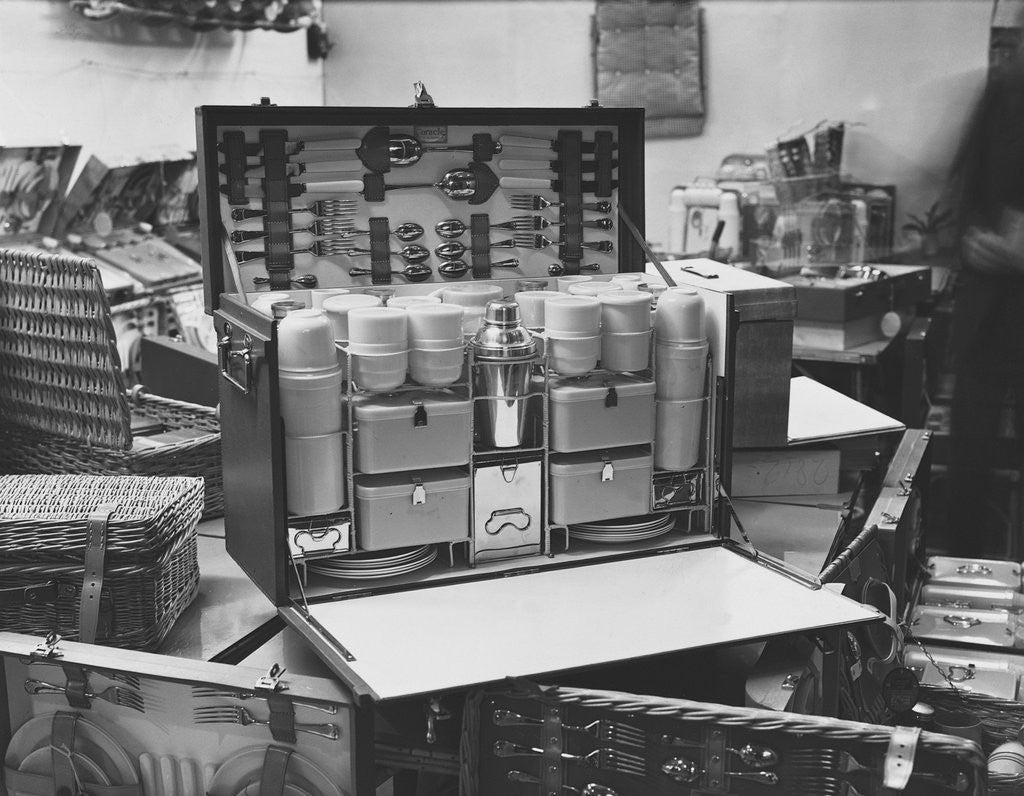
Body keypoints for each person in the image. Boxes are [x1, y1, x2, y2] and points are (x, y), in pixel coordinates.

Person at [946, 53, 1024, 558]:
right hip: (989, 317)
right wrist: (971, 236)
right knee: (967, 466)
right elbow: (964, 186)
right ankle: (956, 590)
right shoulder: (1006, 89)